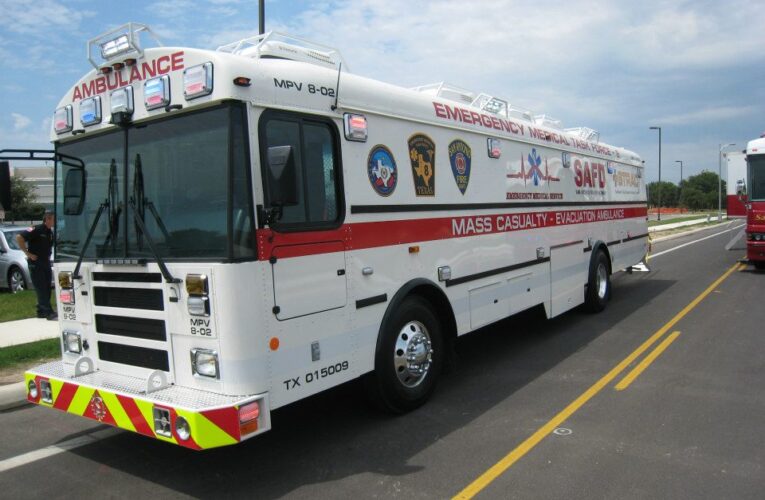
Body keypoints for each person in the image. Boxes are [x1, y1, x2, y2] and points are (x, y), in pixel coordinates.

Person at [16, 212, 57, 321]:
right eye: (53, 219)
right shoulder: (36, 229)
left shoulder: (49, 232)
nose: (55, 222)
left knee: (47, 286)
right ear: (47, 219)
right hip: (36, 263)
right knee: (41, 287)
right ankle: (48, 312)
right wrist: (27, 253)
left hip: (46, 261)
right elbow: (19, 237)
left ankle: (41, 311)